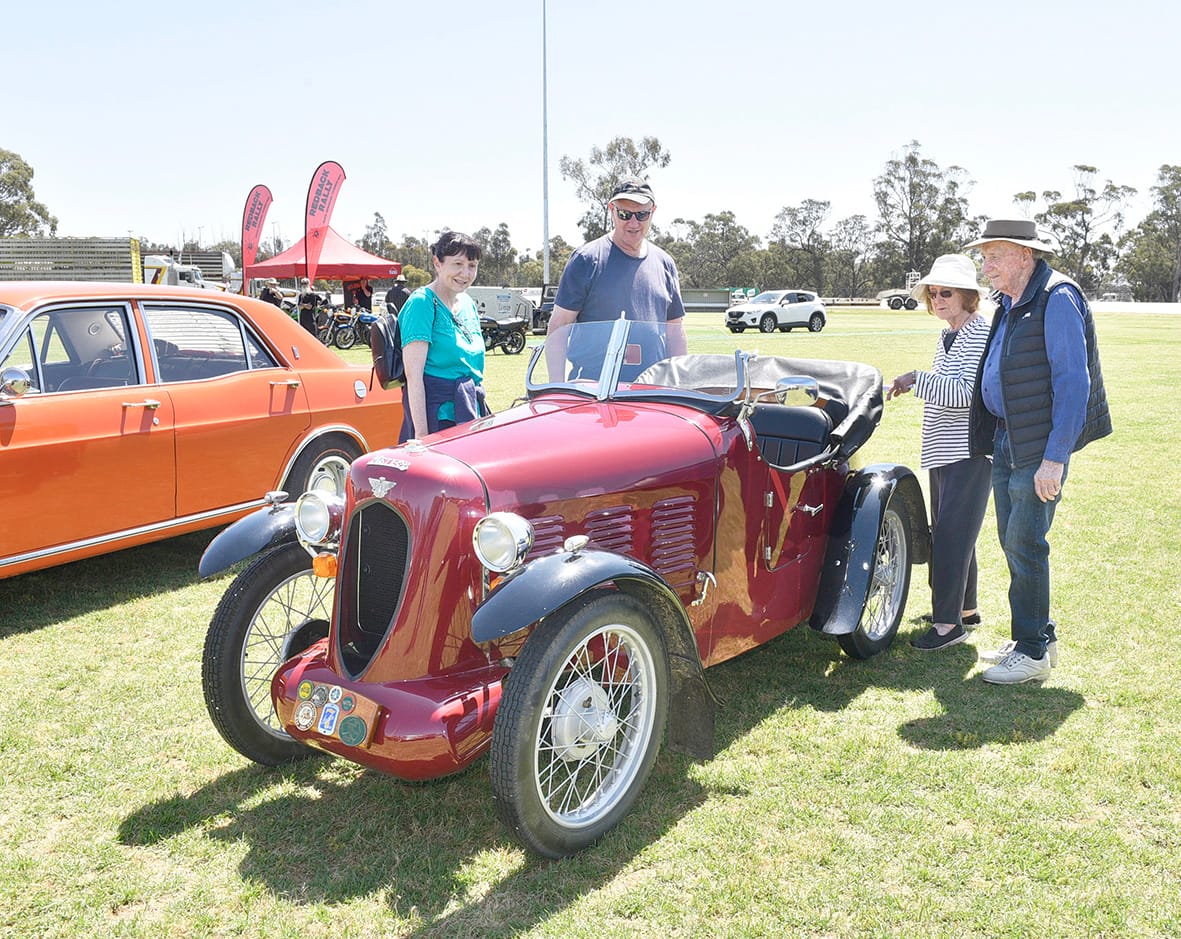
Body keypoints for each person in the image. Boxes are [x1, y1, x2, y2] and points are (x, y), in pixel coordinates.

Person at [965, 219, 1112, 684]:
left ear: (1024, 256)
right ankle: (1037, 637)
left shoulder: (1057, 297)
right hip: (1009, 438)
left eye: (993, 256)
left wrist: (1055, 458)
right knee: (1013, 539)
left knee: (1025, 542)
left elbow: (1074, 382)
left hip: (1038, 445)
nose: (984, 265)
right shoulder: (1012, 301)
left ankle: (1030, 653)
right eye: (983, 256)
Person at [886, 255, 993, 652]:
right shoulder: (948, 335)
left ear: (968, 296)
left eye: (946, 291)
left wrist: (917, 379)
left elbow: (967, 393)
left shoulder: (979, 333)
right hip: (943, 449)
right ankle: (965, 609)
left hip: (968, 450)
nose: (938, 298)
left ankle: (948, 626)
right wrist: (924, 380)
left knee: (950, 535)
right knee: (955, 532)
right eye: (933, 292)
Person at [547, 176, 687, 379]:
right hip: (594, 394)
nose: (633, 222)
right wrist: (557, 387)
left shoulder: (665, 263)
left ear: (653, 212)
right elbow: (558, 326)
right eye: (624, 214)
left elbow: (675, 332)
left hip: (653, 394)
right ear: (612, 210)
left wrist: (680, 385)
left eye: (642, 215)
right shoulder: (586, 260)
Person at [398, 231, 488, 442]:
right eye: (457, 264)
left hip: (470, 410)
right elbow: (414, 376)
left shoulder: (467, 303)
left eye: (472, 265)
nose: (465, 273)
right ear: (437, 263)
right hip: (437, 418)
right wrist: (422, 436)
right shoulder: (422, 303)